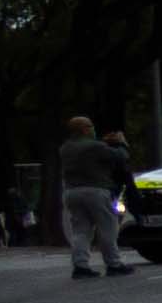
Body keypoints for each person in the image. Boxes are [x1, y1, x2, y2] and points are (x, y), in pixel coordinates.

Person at [55, 116, 129, 278]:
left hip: (72, 192)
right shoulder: (94, 146)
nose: (93, 129)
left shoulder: (65, 148)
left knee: (81, 230)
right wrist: (121, 143)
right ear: (84, 129)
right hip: (96, 191)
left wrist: (103, 143)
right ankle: (114, 264)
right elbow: (119, 156)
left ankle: (80, 266)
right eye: (91, 126)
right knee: (108, 227)